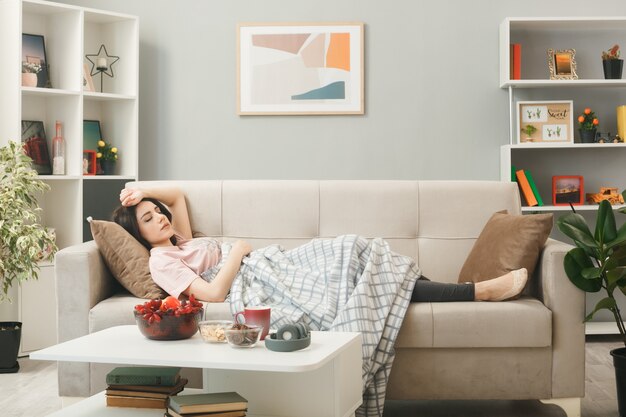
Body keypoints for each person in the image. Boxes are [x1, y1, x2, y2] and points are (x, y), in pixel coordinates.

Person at [114, 187, 528, 304]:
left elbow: (178, 197)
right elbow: (213, 295)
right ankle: (478, 292)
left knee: (355, 250)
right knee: (358, 276)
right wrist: (238, 252)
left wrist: (139, 192)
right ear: (139, 235)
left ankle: (471, 292)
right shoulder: (161, 261)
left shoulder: (178, 238)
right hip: (251, 282)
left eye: (158, 211)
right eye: (148, 219)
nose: (161, 216)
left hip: (268, 264)